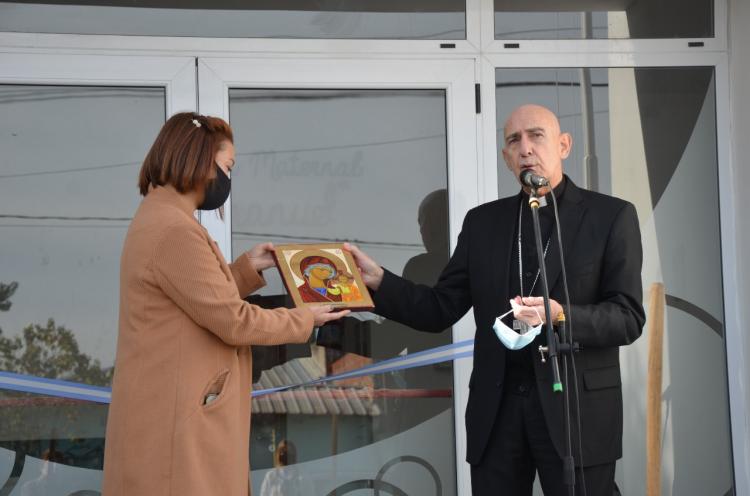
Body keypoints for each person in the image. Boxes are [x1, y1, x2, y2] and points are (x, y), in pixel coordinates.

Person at [347, 104, 645, 495]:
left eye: (536, 136)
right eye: (513, 140)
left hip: (576, 410)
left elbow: (627, 317)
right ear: (506, 158)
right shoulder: (483, 222)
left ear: (564, 145)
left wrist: (560, 314)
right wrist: (381, 281)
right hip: (498, 410)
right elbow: (440, 308)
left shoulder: (610, 217)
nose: (525, 148)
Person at [102, 112, 348, 496]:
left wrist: (247, 269)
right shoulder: (174, 230)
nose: (228, 179)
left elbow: (195, 298)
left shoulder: (161, 219)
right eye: (227, 166)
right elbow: (232, 320)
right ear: (200, 160)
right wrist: (304, 319)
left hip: (167, 413)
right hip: (179, 424)